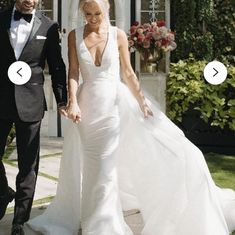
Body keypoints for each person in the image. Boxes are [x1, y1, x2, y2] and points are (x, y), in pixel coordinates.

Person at [27, 0, 235, 234]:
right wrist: (72, 102)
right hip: (86, 109)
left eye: (98, 13)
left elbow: (127, 72)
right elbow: (73, 72)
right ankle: (91, 220)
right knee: (93, 167)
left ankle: (103, 225)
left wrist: (142, 102)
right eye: (88, 14)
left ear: (107, 11)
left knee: (105, 168)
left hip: (111, 108)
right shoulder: (74, 36)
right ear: (82, 12)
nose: (93, 18)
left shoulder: (118, 36)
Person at [0, 0, 67, 234]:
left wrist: (62, 99)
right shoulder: (1, 18)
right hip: (1, 98)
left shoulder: (48, 26)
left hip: (31, 102)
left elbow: (57, 65)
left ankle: (20, 220)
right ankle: (3, 192)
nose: (30, 0)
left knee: (28, 165)